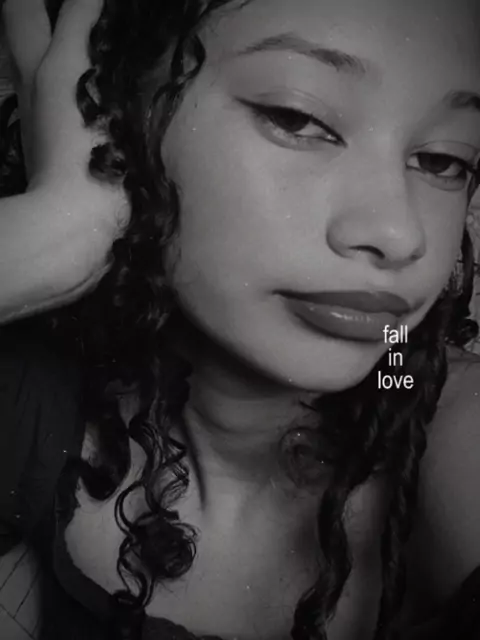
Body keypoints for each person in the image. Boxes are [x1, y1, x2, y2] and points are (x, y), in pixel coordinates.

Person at [1, 0, 480, 639]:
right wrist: (49, 238)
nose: (400, 234)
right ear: (120, 123)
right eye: (298, 118)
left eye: (444, 160)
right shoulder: (30, 406)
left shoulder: (426, 393)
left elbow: (410, 373)